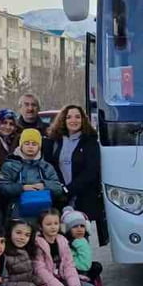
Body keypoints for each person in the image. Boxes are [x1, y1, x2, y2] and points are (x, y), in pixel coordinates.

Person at [42, 104, 105, 245]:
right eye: (69, 117)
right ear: (63, 120)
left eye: (78, 117)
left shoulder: (90, 141)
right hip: (60, 198)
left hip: (81, 197)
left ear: (83, 120)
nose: (73, 120)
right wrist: (60, 188)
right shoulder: (54, 141)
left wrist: (69, 189)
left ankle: (82, 266)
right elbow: (50, 166)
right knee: (61, 235)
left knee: (80, 238)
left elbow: (91, 171)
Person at [3, 219, 61, 286]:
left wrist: (41, 284)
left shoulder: (26, 251)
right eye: (18, 233)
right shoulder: (5, 255)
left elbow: (30, 274)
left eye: (26, 235)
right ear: (10, 232)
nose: (22, 238)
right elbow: (5, 284)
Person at [0, 128, 65, 221]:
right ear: (21, 145)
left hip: (43, 215)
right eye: (27, 143)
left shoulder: (46, 166)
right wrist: (22, 188)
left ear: (39, 146)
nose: (30, 146)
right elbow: (2, 187)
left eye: (34, 144)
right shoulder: (10, 165)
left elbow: (58, 188)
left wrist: (44, 186)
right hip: (17, 213)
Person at [35, 208, 93, 286]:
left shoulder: (62, 241)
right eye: (48, 224)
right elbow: (41, 271)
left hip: (62, 278)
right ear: (41, 227)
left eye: (56, 224)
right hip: (47, 283)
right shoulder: (38, 244)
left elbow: (69, 266)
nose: (53, 227)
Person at [62, 208, 103, 286]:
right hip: (74, 270)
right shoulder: (67, 244)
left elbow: (87, 261)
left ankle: (90, 281)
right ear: (68, 230)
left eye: (82, 226)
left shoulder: (83, 240)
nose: (79, 229)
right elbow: (80, 264)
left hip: (84, 267)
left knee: (97, 266)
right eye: (75, 226)